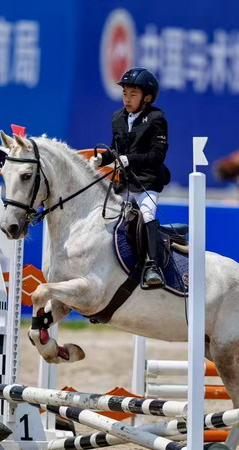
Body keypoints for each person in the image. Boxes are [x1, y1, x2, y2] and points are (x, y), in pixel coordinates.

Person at [90, 67, 170, 290]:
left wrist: (128, 159)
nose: (127, 99)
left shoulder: (156, 120)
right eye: (125, 93)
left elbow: (156, 156)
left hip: (147, 183)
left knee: (147, 215)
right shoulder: (117, 118)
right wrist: (103, 159)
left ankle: (153, 266)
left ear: (147, 98)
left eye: (133, 94)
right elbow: (115, 148)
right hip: (124, 183)